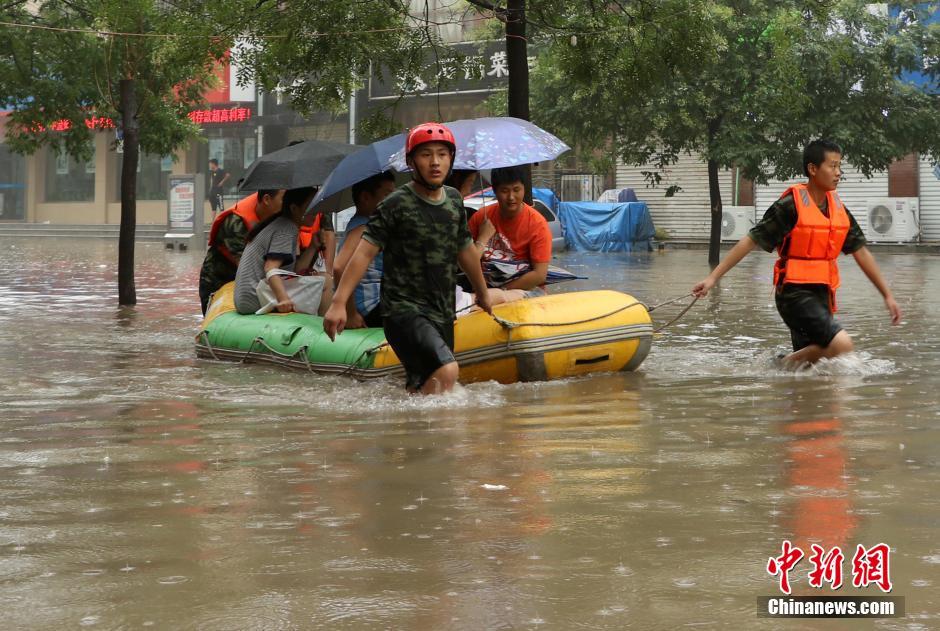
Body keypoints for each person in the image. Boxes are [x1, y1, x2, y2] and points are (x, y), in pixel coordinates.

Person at [692, 139, 902, 365]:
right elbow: (751, 240)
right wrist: (713, 278)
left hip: (823, 294)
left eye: (840, 166)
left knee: (810, 367)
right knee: (842, 345)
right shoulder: (790, 206)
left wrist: (887, 295)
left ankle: (784, 374)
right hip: (793, 294)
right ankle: (783, 365)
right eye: (832, 166)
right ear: (813, 169)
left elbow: (861, 253)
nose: (838, 173)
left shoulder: (839, 209)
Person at [323, 122, 492, 395]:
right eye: (426, 155)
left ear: (451, 158)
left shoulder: (453, 201)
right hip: (402, 309)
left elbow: (465, 250)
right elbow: (363, 253)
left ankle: (414, 434)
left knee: (422, 385)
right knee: (447, 371)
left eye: (442, 154)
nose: (435, 162)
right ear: (411, 162)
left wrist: (482, 293)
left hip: (441, 307)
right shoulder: (395, 204)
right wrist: (340, 303)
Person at [234, 187, 325, 315]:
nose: (316, 211)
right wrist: (283, 299)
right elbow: (270, 268)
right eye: (310, 206)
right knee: (325, 282)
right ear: (294, 209)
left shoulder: (284, 224)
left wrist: (313, 247)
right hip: (253, 299)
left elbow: (296, 270)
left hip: (247, 299)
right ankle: (326, 331)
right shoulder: (286, 229)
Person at [198, 189, 284, 314]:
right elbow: (247, 268)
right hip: (218, 280)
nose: (287, 203)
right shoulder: (236, 221)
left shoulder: (278, 220)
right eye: (283, 199)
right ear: (266, 200)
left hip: (251, 277)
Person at [468, 166, 552, 292]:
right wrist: (482, 238)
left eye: (516, 190)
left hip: (525, 290)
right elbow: (465, 260)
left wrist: (500, 291)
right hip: (485, 289)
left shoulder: (538, 224)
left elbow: (539, 275)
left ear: (524, 189)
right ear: (495, 191)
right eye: (504, 191)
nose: (511, 197)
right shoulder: (481, 217)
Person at [333, 171, 397, 328]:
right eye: (388, 194)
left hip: (376, 301)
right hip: (371, 305)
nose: (394, 200)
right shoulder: (363, 228)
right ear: (366, 198)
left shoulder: (363, 223)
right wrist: (350, 313)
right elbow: (339, 266)